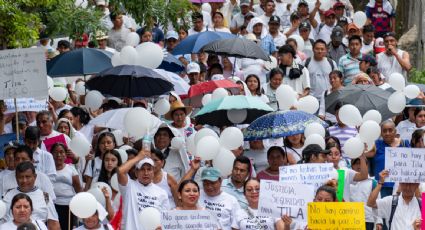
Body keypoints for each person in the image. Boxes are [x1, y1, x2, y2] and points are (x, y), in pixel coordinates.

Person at [117, 150, 170, 230]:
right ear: (136, 172)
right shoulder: (129, 186)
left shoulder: (162, 193)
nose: (146, 173)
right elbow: (120, 171)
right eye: (142, 169)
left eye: (149, 169)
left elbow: (165, 219)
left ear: (153, 172)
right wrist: (138, 157)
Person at [2, 162, 60, 229]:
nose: (24, 181)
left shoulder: (45, 197)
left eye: (28, 177)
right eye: (20, 177)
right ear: (16, 178)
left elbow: (53, 223)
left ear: (35, 177)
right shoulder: (8, 195)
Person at [365, 120, 410, 197]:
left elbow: (411, 162)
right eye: (384, 131)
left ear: (395, 131)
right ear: (381, 133)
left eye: (390, 130)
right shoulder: (376, 144)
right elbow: (364, 154)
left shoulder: (404, 144)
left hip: (401, 186)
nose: (387, 133)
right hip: (382, 186)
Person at [51, 142, 81, 230]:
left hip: (68, 206)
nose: (58, 155)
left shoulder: (71, 169)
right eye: (56, 152)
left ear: (65, 155)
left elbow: (78, 189)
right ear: (51, 154)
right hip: (52, 205)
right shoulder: (48, 170)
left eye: (61, 152)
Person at [350, 157, 382, 230]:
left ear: (367, 166)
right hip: (351, 220)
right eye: (356, 163)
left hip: (368, 220)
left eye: (362, 163)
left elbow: (378, 203)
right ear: (352, 166)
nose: (360, 165)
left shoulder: (373, 182)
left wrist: (379, 222)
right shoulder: (347, 182)